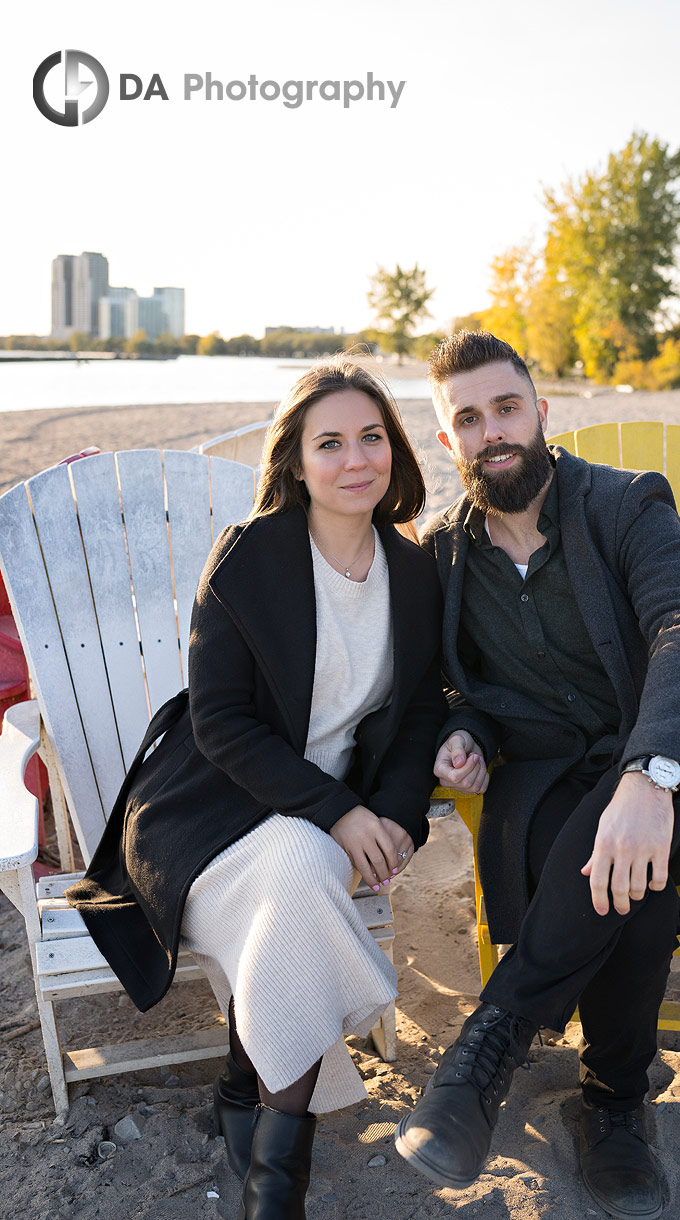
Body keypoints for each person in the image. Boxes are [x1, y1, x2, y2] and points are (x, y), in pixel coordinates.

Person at [394, 332, 680, 1220]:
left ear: (540, 411)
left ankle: (485, 1048)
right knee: (632, 902)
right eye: (466, 418)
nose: (490, 430)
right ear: (447, 441)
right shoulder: (444, 554)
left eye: (504, 407)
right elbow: (453, 683)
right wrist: (461, 730)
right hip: (555, 790)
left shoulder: (622, 505)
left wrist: (649, 775)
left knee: (624, 835)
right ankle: (612, 1106)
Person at [67, 359, 448, 1220]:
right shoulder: (248, 558)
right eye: (330, 443)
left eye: (371, 437)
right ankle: (280, 1177)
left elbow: (418, 713)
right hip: (205, 813)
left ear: (394, 449)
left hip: (321, 826)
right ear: (296, 462)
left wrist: (393, 821)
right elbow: (222, 724)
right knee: (303, 867)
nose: (356, 459)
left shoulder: (414, 572)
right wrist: (343, 813)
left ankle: (252, 1109)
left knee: (303, 868)